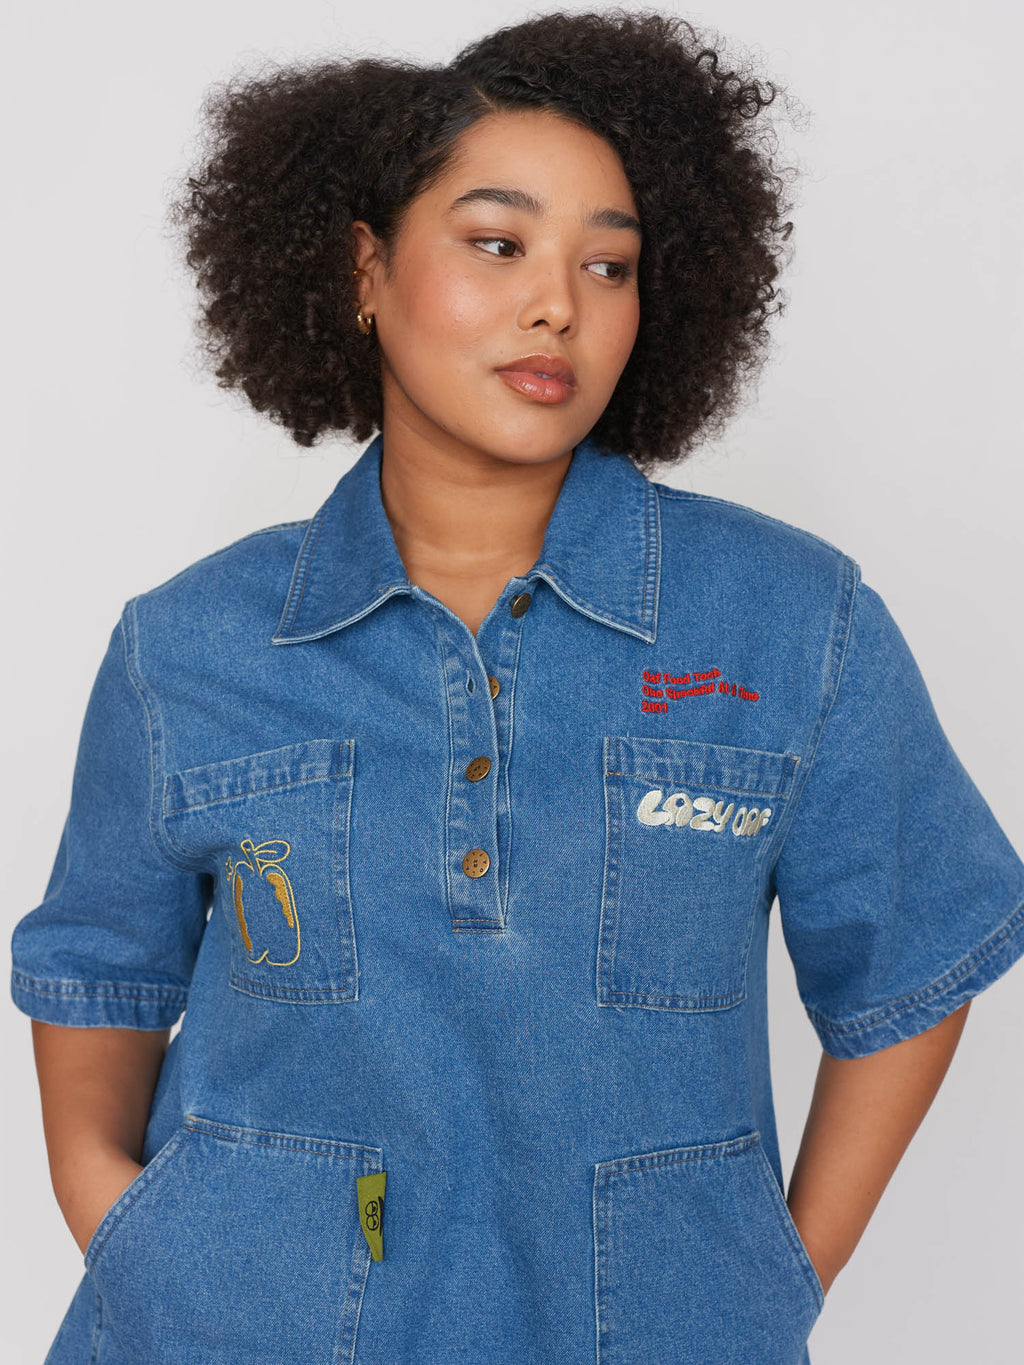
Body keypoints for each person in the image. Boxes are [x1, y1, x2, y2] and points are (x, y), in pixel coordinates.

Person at [10, 9, 1024, 1364]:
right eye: (499, 243)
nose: (560, 303)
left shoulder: (794, 623)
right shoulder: (189, 644)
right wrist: (131, 1232)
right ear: (365, 269)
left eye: (609, 265)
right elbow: (98, 973)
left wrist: (777, 1279)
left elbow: (912, 960)